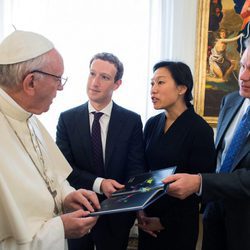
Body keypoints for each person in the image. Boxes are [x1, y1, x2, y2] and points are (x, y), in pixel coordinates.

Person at [0, 30, 100, 250]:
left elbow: (49, 175)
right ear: (31, 82)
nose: (61, 87)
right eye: (58, 79)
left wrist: (67, 195)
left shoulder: (28, 117)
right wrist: (60, 229)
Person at [163, 38, 250, 250]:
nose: (243, 76)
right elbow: (219, 158)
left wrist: (200, 183)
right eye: (243, 66)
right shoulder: (230, 101)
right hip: (214, 215)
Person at [56, 52, 145, 250]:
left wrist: (134, 207)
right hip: (78, 211)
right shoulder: (67, 119)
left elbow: (136, 169)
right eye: (92, 74)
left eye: (104, 77)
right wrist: (100, 183)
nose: (94, 82)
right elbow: (63, 167)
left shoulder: (131, 121)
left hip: (117, 216)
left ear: (117, 84)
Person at [137, 61, 216, 250]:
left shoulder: (200, 130)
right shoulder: (152, 124)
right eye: (152, 83)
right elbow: (143, 172)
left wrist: (164, 221)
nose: (153, 90)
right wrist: (139, 209)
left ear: (181, 88)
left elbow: (199, 189)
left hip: (178, 225)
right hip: (147, 219)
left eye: (160, 83)